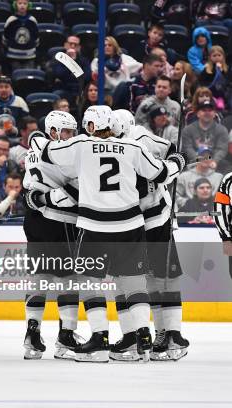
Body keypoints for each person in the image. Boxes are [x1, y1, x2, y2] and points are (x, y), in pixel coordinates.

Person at [38, 105, 185, 362]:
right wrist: (176, 163)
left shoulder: (81, 144)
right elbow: (161, 173)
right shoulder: (132, 147)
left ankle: (99, 341)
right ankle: (144, 338)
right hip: (130, 225)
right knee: (133, 282)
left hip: (94, 225)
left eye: (86, 125)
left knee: (89, 282)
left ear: (92, 126)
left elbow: (47, 152)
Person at [112, 109, 189, 361]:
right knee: (142, 278)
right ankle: (154, 333)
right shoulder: (111, 145)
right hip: (131, 221)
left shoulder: (141, 136)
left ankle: (172, 333)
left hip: (156, 218)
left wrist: (175, 161)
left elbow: (174, 151)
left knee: (164, 275)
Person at [21, 110, 81, 360]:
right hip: (60, 221)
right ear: (54, 131)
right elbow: (76, 191)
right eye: (66, 131)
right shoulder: (62, 155)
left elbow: (35, 138)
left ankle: (31, 334)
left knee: (39, 276)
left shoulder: (34, 148)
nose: (70, 136)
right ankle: (66, 336)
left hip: (34, 218)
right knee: (68, 279)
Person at [182, 99, 228, 169]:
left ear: (214, 113)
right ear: (198, 113)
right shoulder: (187, 130)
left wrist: (215, 160)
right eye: (204, 110)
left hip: (215, 163)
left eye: (210, 110)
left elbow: (222, 149)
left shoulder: (222, 130)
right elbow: (188, 148)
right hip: (193, 162)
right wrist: (199, 160)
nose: (207, 113)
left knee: (227, 165)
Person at [50, 35, 91, 103]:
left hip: (80, 90)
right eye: (70, 44)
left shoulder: (84, 60)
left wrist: (75, 62)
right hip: (64, 89)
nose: (72, 46)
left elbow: (87, 77)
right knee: (57, 94)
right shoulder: (58, 58)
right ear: (65, 45)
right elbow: (59, 74)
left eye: (75, 45)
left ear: (79, 47)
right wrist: (69, 61)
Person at [2, 0, 39, 71]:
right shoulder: (11, 20)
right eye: (20, 3)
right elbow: (5, 37)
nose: (22, 5)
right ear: (15, 5)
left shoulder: (32, 20)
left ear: (28, 5)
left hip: (29, 55)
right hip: (14, 55)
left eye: (25, 3)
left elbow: (36, 37)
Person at [198, 46, 232, 111]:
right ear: (210, 57)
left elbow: (228, 80)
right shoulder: (206, 70)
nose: (217, 57)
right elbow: (202, 82)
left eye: (219, 55)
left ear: (223, 56)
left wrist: (221, 71)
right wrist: (215, 69)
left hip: (224, 94)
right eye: (214, 56)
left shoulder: (227, 69)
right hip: (211, 94)